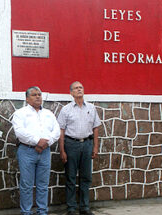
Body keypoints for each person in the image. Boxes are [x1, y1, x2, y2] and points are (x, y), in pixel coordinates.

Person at [11, 86, 60, 215]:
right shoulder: (20, 113)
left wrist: (46, 143)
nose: (38, 96)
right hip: (27, 151)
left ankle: (42, 211)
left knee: (43, 184)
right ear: (27, 99)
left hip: (45, 152)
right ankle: (26, 212)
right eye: (34, 95)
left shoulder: (49, 114)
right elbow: (20, 132)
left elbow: (56, 131)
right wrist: (37, 141)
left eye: (39, 94)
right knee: (26, 185)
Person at [57, 81, 101, 215]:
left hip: (87, 144)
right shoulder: (66, 109)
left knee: (86, 177)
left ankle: (84, 207)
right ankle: (71, 208)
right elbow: (61, 131)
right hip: (71, 145)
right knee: (70, 177)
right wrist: (62, 150)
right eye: (76, 88)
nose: (79, 90)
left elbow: (96, 128)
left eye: (81, 87)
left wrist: (95, 147)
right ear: (71, 93)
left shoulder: (91, 108)